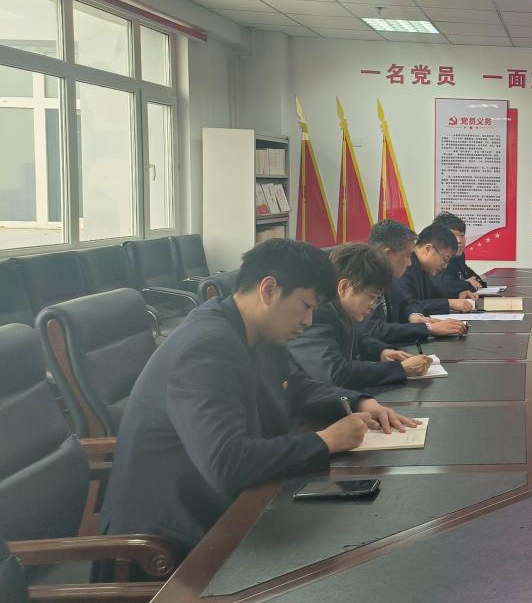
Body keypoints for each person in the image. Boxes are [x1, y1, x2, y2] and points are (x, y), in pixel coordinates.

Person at [99, 240, 416, 558]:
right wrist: (326, 441)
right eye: (306, 306)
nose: (308, 321)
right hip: (170, 535)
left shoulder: (255, 329)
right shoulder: (207, 347)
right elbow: (227, 462)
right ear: (268, 290)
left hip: (230, 502)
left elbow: (296, 387)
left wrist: (359, 402)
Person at [288, 244, 436, 389]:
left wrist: (381, 352)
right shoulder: (316, 315)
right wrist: (400, 369)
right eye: (371, 297)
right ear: (344, 287)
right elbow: (335, 373)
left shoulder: (341, 309)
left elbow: (359, 337)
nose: (373, 306)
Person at [364, 219, 465, 342]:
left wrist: (415, 316)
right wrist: (428, 328)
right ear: (388, 254)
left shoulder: (388, 278)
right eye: (407, 256)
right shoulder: (362, 281)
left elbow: (406, 303)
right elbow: (373, 330)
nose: (409, 263)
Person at [396, 222, 477, 319]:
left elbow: (433, 294)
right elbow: (406, 306)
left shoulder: (423, 266)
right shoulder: (404, 267)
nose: (445, 266)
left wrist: (458, 295)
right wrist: (449, 303)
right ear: (428, 249)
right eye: (445, 259)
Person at [432, 211, 487, 293]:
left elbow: (477, 281)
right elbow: (441, 287)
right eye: (453, 236)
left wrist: (465, 283)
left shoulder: (459, 256)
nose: (459, 241)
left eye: (462, 235)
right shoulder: (434, 258)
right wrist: (465, 284)